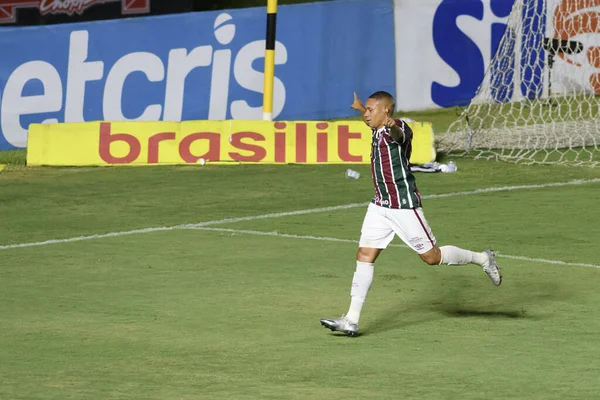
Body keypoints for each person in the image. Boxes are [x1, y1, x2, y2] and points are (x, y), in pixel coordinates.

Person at [320, 91, 502, 337]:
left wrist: (391, 125)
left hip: (403, 206)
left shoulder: (400, 129)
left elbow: (397, 133)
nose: (366, 115)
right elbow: (374, 118)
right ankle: (351, 319)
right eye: (367, 110)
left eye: (371, 110)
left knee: (431, 257)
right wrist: (360, 106)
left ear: (387, 111)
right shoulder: (376, 125)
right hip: (380, 206)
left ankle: (483, 259)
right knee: (364, 255)